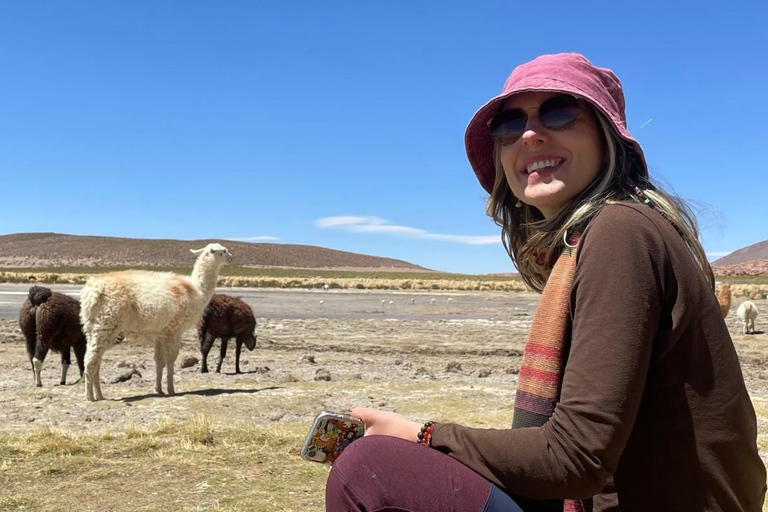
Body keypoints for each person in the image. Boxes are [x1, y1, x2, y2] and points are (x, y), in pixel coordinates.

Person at [324, 53, 767, 511]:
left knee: (368, 469)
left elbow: (575, 457)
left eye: (559, 111)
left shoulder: (621, 232)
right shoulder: (609, 236)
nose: (531, 133)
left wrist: (423, 435)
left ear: (606, 136)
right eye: (509, 124)